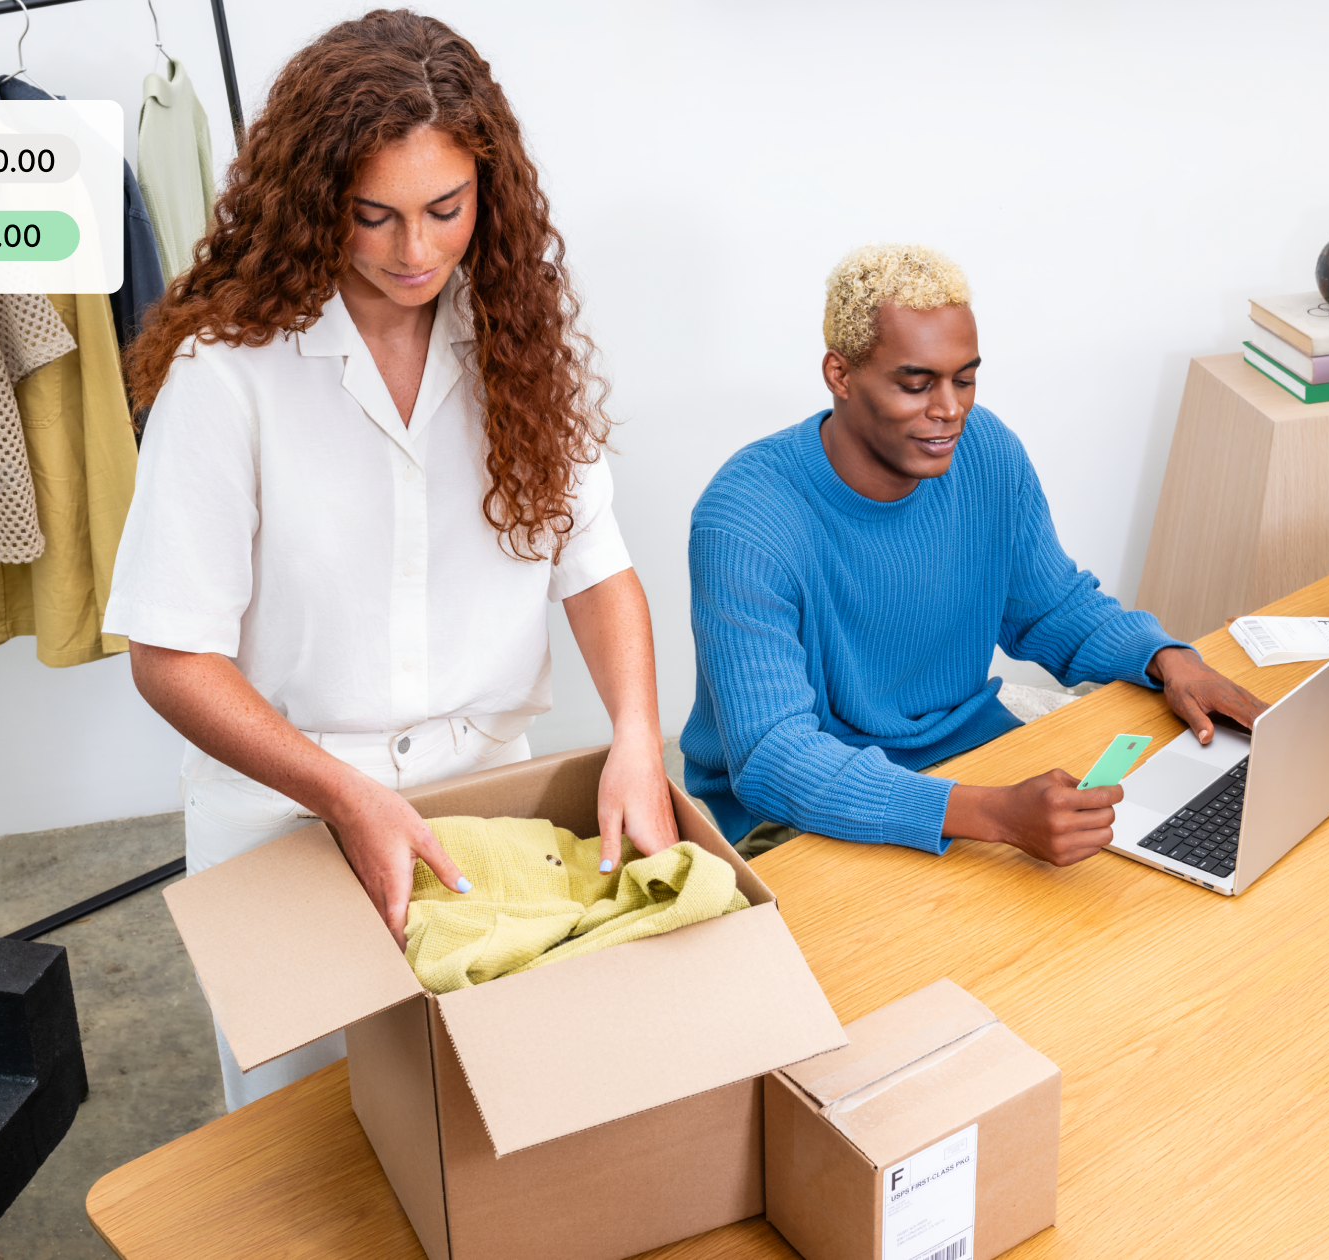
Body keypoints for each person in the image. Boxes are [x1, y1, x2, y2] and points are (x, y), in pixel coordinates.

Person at [105, 10, 673, 1111]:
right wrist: (347, 795)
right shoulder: (231, 375)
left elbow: (596, 570)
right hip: (287, 814)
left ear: (486, 194)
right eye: (375, 218)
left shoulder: (516, 337)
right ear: (316, 199)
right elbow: (171, 656)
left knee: (491, 1120)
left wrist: (638, 741)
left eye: (444, 211)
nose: (415, 253)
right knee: (301, 1153)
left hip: (484, 802)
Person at [682, 244, 1268, 865]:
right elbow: (774, 759)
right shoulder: (746, 520)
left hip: (966, 757)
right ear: (840, 375)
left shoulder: (985, 451)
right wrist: (991, 815)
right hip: (796, 809)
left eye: (964, 378)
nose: (950, 410)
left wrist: (1169, 660)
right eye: (916, 384)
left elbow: (1050, 609)